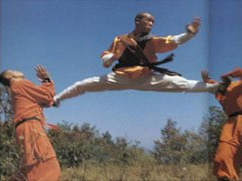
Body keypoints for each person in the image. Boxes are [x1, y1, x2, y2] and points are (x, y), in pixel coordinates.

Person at [54, 12, 219, 106]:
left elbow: (172, 41)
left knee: (180, 83)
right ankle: (57, 99)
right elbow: (105, 60)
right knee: (83, 84)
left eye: (153, 21)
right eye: (148, 20)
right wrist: (112, 57)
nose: (151, 23)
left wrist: (190, 34)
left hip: (145, 77)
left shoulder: (152, 40)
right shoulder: (120, 39)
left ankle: (216, 88)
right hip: (120, 77)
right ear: (137, 21)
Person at [0, 65, 60, 181]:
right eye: (13, 70)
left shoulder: (16, 89)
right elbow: (46, 96)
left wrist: (50, 101)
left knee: (30, 167)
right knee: (47, 165)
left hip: (25, 127)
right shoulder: (19, 83)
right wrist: (46, 79)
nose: (17, 70)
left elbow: (43, 100)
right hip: (30, 127)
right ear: (9, 76)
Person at [202, 68, 242, 181]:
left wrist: (232, 74)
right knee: (222, 158)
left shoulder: (238, 85)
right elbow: (213, 86)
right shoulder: (222, 92)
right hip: (232, 125)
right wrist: (207, 80)